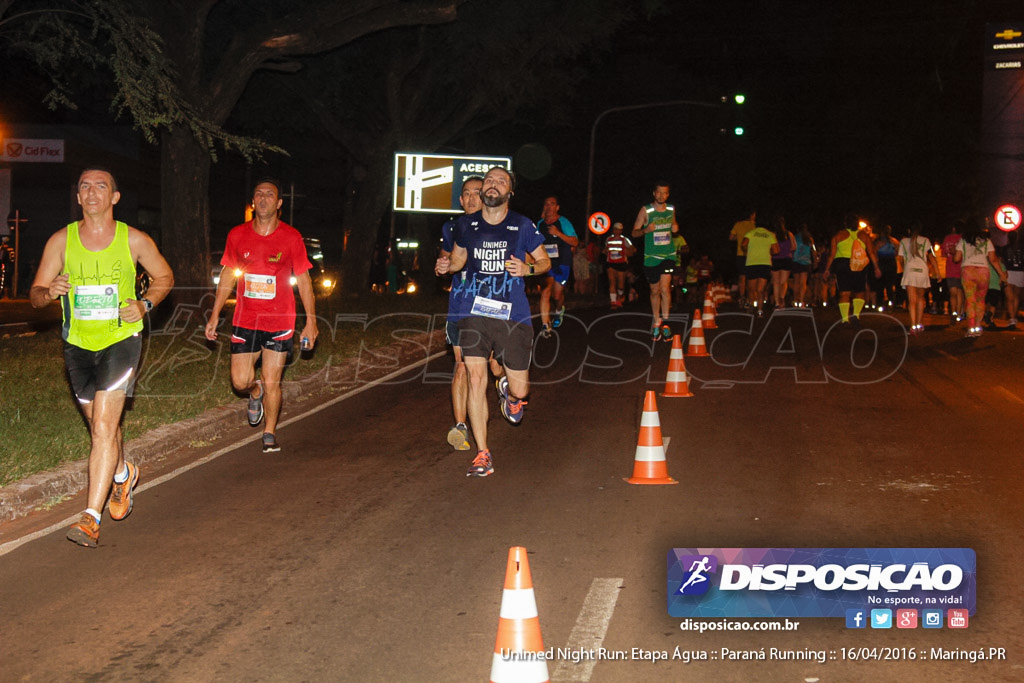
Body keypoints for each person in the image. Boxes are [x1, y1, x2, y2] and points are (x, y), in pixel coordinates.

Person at [30, 167, 174, 547]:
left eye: (101, 186)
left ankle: (90, 518)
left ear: (115, 196)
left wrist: (144, 305)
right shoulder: (61, 241)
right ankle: (124, 473)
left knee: (102, 430)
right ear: (78, 198)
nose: (92, 192)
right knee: (101, 425)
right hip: (77, 344)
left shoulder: (134, 240)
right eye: (84, 187)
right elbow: (35, 293)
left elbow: (164, 278)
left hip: (121, 340)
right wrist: (49, 292)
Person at [435, 166, 550, 478]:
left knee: (521, 389)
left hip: (513, 315)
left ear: (509, 193)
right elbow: (459, 259)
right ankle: (482, 452)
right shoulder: (465, 225)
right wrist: (447, 265)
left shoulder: (522, 225)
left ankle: (512, 400)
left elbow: (544, 261)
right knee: (475, 378)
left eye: (501, 181)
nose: (493, 185)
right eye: (489, 180)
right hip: (474, 312)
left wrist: (527, 269)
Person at [205, 178, 318, 453]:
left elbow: (303, 280)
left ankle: (269, 432)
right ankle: (254, 393)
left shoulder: (291, 237)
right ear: (253, 202)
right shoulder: (237, 235)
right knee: (240, 381)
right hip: (246, 319)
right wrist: (215, 313)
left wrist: (311, 322)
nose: (264, 198)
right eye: (259, 194)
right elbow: (228, 275)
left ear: (278, 204)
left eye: (270, 195)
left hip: (280, 321)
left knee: (272, 379)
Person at [436, 177, 503, 451]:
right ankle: (461, 425)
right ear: (461, 200)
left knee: (494, 365)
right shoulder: (452, 227)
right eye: (467, 194)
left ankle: (505, 386)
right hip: (461, 307)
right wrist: (442, 266)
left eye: (478, 192)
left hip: (495, 307)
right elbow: (445, 262)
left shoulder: (501, 225)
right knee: (462, 365)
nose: (473, 198)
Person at [632, 182, 683, 341]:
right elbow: (634, 233)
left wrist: (675, 227)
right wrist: (646, 230)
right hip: (651, 257)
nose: (662, 196)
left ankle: (666, 323)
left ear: (668, 194)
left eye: (665, 193)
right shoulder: (646, 210)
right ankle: (656, 322)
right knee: (654, 291)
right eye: (659, 193)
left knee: (665, 288)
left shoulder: (670, 209)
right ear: (654, 193)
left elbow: (674, 226)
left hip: (668, 254)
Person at [823, 214, 882, 325]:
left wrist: (827, 269)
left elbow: (831, 254)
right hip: (859, 264)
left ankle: (845, 319)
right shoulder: (864, 235)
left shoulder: (839, 235)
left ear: (845, 224)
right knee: (859, 291)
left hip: (843, 264)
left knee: (844, 292)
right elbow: (871, 253)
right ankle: (856, 315)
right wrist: (876, 268)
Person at [954, 217, 1006, 337]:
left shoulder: (963, 240)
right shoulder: (987, 241)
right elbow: (993, 259)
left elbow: (956, 259)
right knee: (980, 301)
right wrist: (1002, 274)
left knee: (970, 300)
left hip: (968, 272)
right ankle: (978, 327)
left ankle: (971, 328)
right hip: (983, 272)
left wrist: (954, 255)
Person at [535, 196, 578, 337]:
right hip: (546, 263)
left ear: (557, 207)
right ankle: (545, 326)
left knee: (557, 295)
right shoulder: (540, 224)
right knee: (546, 291)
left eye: (552, 204)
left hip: (562, 262)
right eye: (546, 204)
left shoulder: (563, 222)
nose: (549, 207)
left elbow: (575, 242)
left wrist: (558, 233)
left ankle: (559, 310)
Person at [897, 222, 939, 334]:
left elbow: (900, 258)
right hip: (922, 270)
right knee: (921, 298)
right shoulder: (926, 240)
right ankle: (919, 323)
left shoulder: (904, 241)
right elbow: (931, 256)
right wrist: (937, 272)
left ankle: (913, 326)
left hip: (910, 270)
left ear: (909, 230)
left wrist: (904, 268)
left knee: (912, 300)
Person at [741, 219, 779, 316]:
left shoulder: (750, 233)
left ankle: (751, 305)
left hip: (752, 263)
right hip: (765, 263)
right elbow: (776, 250)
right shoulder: (770, 234)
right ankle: (760, 310)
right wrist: (767, 252)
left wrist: (747, 251)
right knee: (760, 290)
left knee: (751, 288)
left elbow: (743, 244)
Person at [603, 221, 634, 308]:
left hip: (621, 263)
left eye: (620, 230)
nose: (618, 232)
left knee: (620, 285)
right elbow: (605, 249)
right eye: (616, 230)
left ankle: (620, 296)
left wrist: (627, 252)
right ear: (613, 230)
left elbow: (633, 249)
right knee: (612, 282)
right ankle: (613, 301)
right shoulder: (609, 239)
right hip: (611, 263)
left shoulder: (625, 240)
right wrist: (605, 251)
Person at [729, 209, 756, 304]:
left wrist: (739, 237)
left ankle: (742, 297)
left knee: (742, 277)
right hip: (751, 254)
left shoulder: (738, 224)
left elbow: (731, 237)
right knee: (751, 277)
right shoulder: (754, 225)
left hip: (740, 253)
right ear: (751, 215)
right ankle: (750, 298)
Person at [770, 215, 796, 308]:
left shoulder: (773, 235)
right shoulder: (789, 234)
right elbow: (794, 247)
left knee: (776, 282)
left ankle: (777, 302)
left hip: (775, 259)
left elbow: (771, 248)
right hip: (786, 259)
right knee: (783, 282)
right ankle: (782, 298)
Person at [941, 221, 965, 323]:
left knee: (952, 293)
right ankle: (959, 314)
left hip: (950, 269)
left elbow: (943, 254)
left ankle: (954, 312)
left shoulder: (947, 239)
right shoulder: (963, 239)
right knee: (960, 292)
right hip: (961, 268)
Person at [873, 225, 900, 311]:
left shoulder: (877, 241)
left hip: (882, 262)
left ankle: (880, 304)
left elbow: (874, 253)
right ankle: (891, 302)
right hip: (891, 263)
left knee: (880, 285)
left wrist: (876, 266)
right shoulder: (894, 241)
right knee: (890, 285)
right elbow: (897, 253)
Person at [791, 224, 816, 307]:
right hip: (806, 262)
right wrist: (815, 260)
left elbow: (792, 248)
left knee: (796, 282)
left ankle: (795, 300)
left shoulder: (795, 237)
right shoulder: (810, 239)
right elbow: (814, 250)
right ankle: (802, 301)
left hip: (796, 261)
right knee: (803, 282)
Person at [1003, 229, 1024, 329]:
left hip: (1008, 272)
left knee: (1009, 297)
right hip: (1020, 272)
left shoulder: (1005, 248)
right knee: (1016, 296)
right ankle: (1013, 317)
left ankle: (1011, 318)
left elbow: (1002, 261)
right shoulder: (1021, 248)